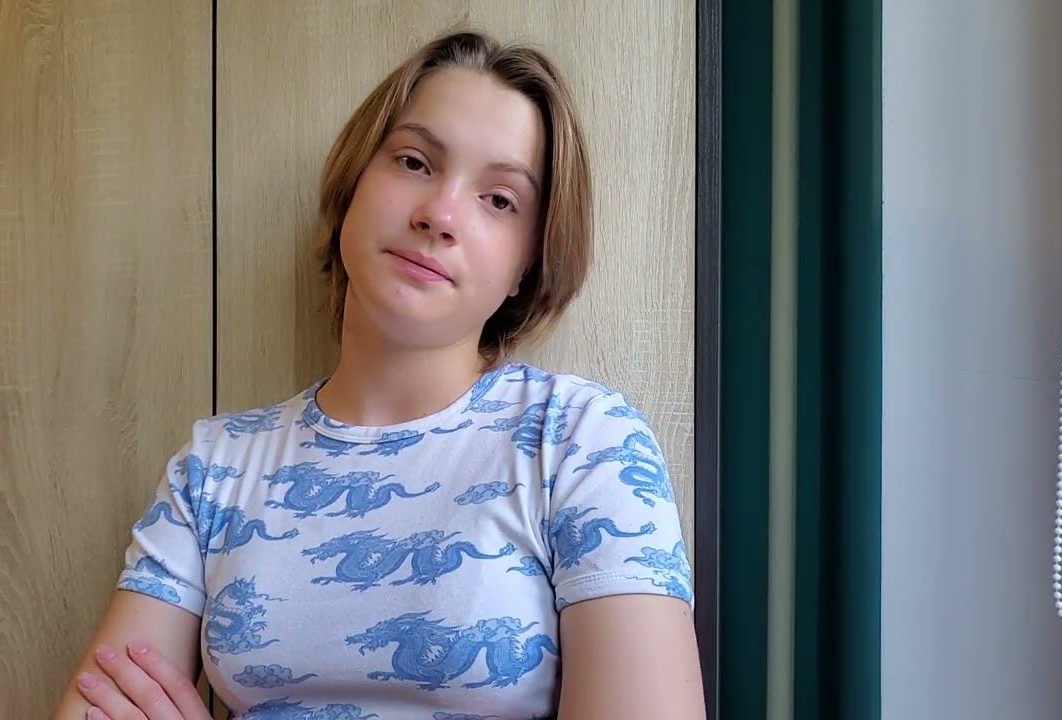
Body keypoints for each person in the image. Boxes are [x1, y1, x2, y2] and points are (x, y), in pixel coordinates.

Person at [53, 29, 704, 720]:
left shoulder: (582, 443)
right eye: (415, 162)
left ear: (528, 263)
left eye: (500, 200)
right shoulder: (214, 468)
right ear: (353, 186)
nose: (440, 215)